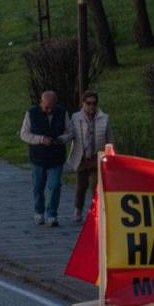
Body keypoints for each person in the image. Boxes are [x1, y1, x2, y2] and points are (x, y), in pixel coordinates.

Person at [20, 90, 71, 226]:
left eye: (52, 107)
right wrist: (41, 139)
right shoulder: (31, 113)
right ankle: (39, 211)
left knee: (55, 186)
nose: (49, 110)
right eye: (46, 107)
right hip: (38, 156)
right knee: (38, 186)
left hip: (56, 155)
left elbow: (70, 131)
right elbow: (24, 134)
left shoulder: (62, 112)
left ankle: (52, 214)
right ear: (41, 103)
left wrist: (61, 139)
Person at [66, 90, 111, 223]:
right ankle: (78, 210)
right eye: (88, 103)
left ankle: (95, 210)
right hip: (81, 157)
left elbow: (109, 138)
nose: (91, 106)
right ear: (83, 104)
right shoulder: (75, 117)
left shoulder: (104, 118)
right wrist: (62, 138)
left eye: (94, 103)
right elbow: (70, 133)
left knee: (96, 185)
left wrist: (110, 153)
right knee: (81, 186)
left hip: (96, 157)